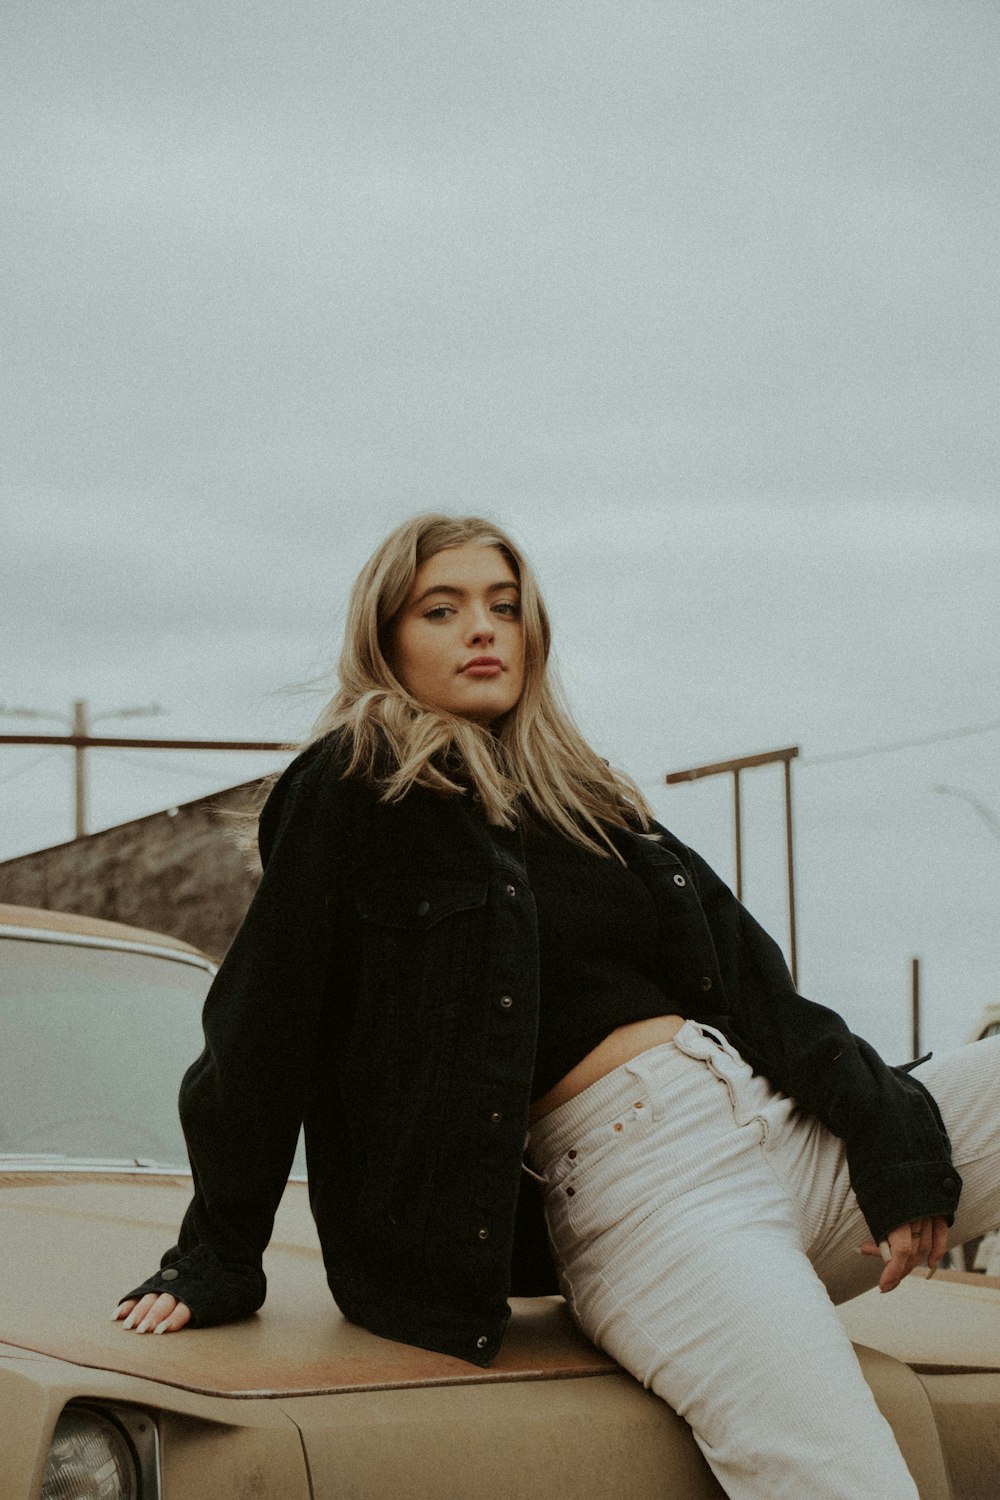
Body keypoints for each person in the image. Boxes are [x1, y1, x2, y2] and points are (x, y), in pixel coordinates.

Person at [117, 513, 1000, 1499]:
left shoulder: (592, 801)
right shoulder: (356, 788)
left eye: (504, 607)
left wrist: (898, 1149)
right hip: (651, 1191)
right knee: (847, 1482)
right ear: (386, 637)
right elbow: (261, 1027)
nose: (483, 629)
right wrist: (214, 1259)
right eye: (442, 609)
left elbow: (761, 994)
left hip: (778, 1131)